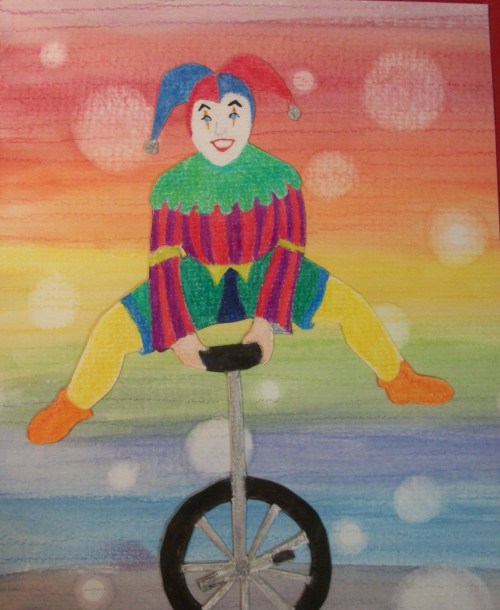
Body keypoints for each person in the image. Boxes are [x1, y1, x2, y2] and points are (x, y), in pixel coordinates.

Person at [27, 54, 453, 445]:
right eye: (207, 117)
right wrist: (181, 337)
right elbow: (164, 265)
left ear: (249, 117)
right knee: (111, 331)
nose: (221, 130)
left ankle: (398, 380)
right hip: (196, 283)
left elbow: (289, 252)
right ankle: (72, 405)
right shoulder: (172, 188)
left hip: (268, 274)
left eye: (233, 114)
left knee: (350, 305)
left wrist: (266, 323)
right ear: (192, 125)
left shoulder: (279, 178)